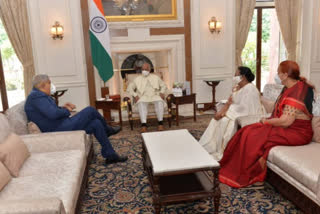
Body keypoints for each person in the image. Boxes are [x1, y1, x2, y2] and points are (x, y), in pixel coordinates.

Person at [219, 60, 314, 188]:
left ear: (285, 75)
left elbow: (286, 121)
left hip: (297, 132)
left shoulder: (296, 92)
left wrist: (266, 121)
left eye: (278, 73)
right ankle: (230, 166)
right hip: (287, 127)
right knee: (246, 130)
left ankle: (249, 174)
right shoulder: (289, 87)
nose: (277, 75)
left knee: (253, 136)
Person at [25, 74, 127, 164]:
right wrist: (67, 111)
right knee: (90, 110)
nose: (50, 85)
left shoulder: (38, 96)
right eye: (49, 83)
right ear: (42, 85)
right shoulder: (36, 97)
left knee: (96, 123)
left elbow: (51, 111)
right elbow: (53, 114)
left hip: (59, 124)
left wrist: (63, 107)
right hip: (56, 128)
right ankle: (108, 130)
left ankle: (111, 155)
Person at [199, 66, 265, 161]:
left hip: (248, 115)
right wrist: (226, 107)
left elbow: (244, 108)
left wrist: (225, 112)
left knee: (224, 121)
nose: (234, 77)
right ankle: (210, 146)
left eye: (236, 75)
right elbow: (234, 102)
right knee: (219, 119)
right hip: (237, 112)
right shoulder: (241, 87)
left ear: (243, 77)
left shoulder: (250, 89)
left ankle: (219, 149)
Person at [127, 62, 167, 132]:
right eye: (143, 69)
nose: (144, 71)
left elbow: (163, 85)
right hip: (143, 96)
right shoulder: (137, 79)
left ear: (149, 70)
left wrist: (162, 92)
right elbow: (130, 88)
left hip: (154, 95)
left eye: (146, 69)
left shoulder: (155, 77)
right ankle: (144, 125)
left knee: (159, 101)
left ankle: (160, 123)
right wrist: (135, 95)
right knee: (141, 103)